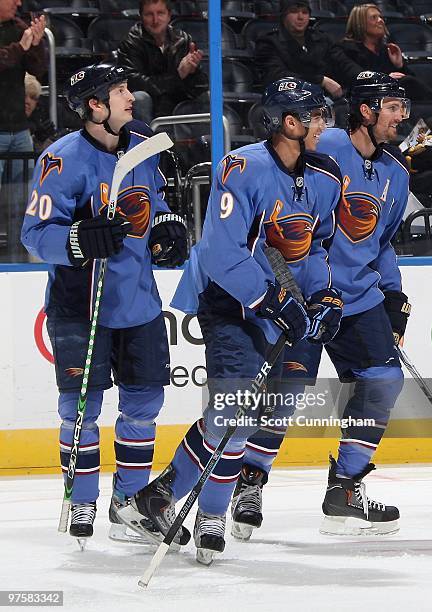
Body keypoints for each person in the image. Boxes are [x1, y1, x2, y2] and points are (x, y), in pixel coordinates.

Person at [116, 77, 344, 564]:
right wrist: (268, 299)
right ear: (289, 122)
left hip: (280, 305)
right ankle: (209, 511)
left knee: (254, 415)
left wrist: (324, 294)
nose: (323, 123)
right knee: (233, 415)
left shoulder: (326, 176)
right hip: (231, 303)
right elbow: (221, 252)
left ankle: (157, 497)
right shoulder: (241, 168)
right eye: (315, 115)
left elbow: (318, 247)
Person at [231, 72, 412, 540]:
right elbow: (287, 213)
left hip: (358, 299)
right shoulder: (322, 145)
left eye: (403, 107)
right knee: (288, 391)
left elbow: (383, 242)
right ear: (367, 111)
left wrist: (392, 295)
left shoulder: (397, 172)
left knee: (384, 379)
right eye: (393, 107)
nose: (402, 117)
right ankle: (249, 480)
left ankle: (345, 488)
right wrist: (284, 285)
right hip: (306, 295)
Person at [21, 63, 189, 547]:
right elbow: (35, 234)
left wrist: (166, 228)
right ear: (95, 105)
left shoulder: (143, 151)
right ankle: (82, 499)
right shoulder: (60, 159)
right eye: (118, 91)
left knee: (144, 405)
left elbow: (153, 205)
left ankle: (130, 505)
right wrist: (77, 239)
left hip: (138, 303)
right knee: (80, 408)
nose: (130, 97)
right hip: (80, 305)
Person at [330, 4, 432, 110]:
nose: (380, 21)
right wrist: (385, 78)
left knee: (411, 92)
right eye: (374, 18)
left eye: (380, 17)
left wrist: (399, 65)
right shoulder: (344, 49)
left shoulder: (386, 50)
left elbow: (411, 83)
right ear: (359, 23)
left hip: (389, 98)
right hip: (360, 98)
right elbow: (357, 75)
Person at [0, 0, 46, 253]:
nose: (18, 2)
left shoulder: (19, 27)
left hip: (19, 128)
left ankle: (19, 259)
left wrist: (36, 44)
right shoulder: (19, 37)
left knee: (22, 204)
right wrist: (22, 46)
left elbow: (37, 69)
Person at [116, 0, 208, 122]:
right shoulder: (131, 43)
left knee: (208, 97)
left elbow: (200, 86)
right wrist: (178, 75)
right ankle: (148, 139)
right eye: (149, 14)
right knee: (140, 98)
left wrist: (193, 72)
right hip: (150, 103)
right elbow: (135, 84)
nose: (155, 20)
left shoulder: (183, 40)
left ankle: (208, 140)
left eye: (160, 13)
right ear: (141, 16)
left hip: (176, 99)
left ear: (169, 15)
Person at [255, 0, 343, 101]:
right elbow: (276, 76)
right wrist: (321, 81)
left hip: (324, 96)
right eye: (294, 11)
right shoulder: (268, 41)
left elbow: (343, 63)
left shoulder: (321, 38)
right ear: (284, 15)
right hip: (288, 98)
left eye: (305, 12)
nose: (300, 17)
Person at [24, 72, 56, 154]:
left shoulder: (39, 123)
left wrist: (41, 140)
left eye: (33, 97)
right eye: (23, 96)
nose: (28, 101)